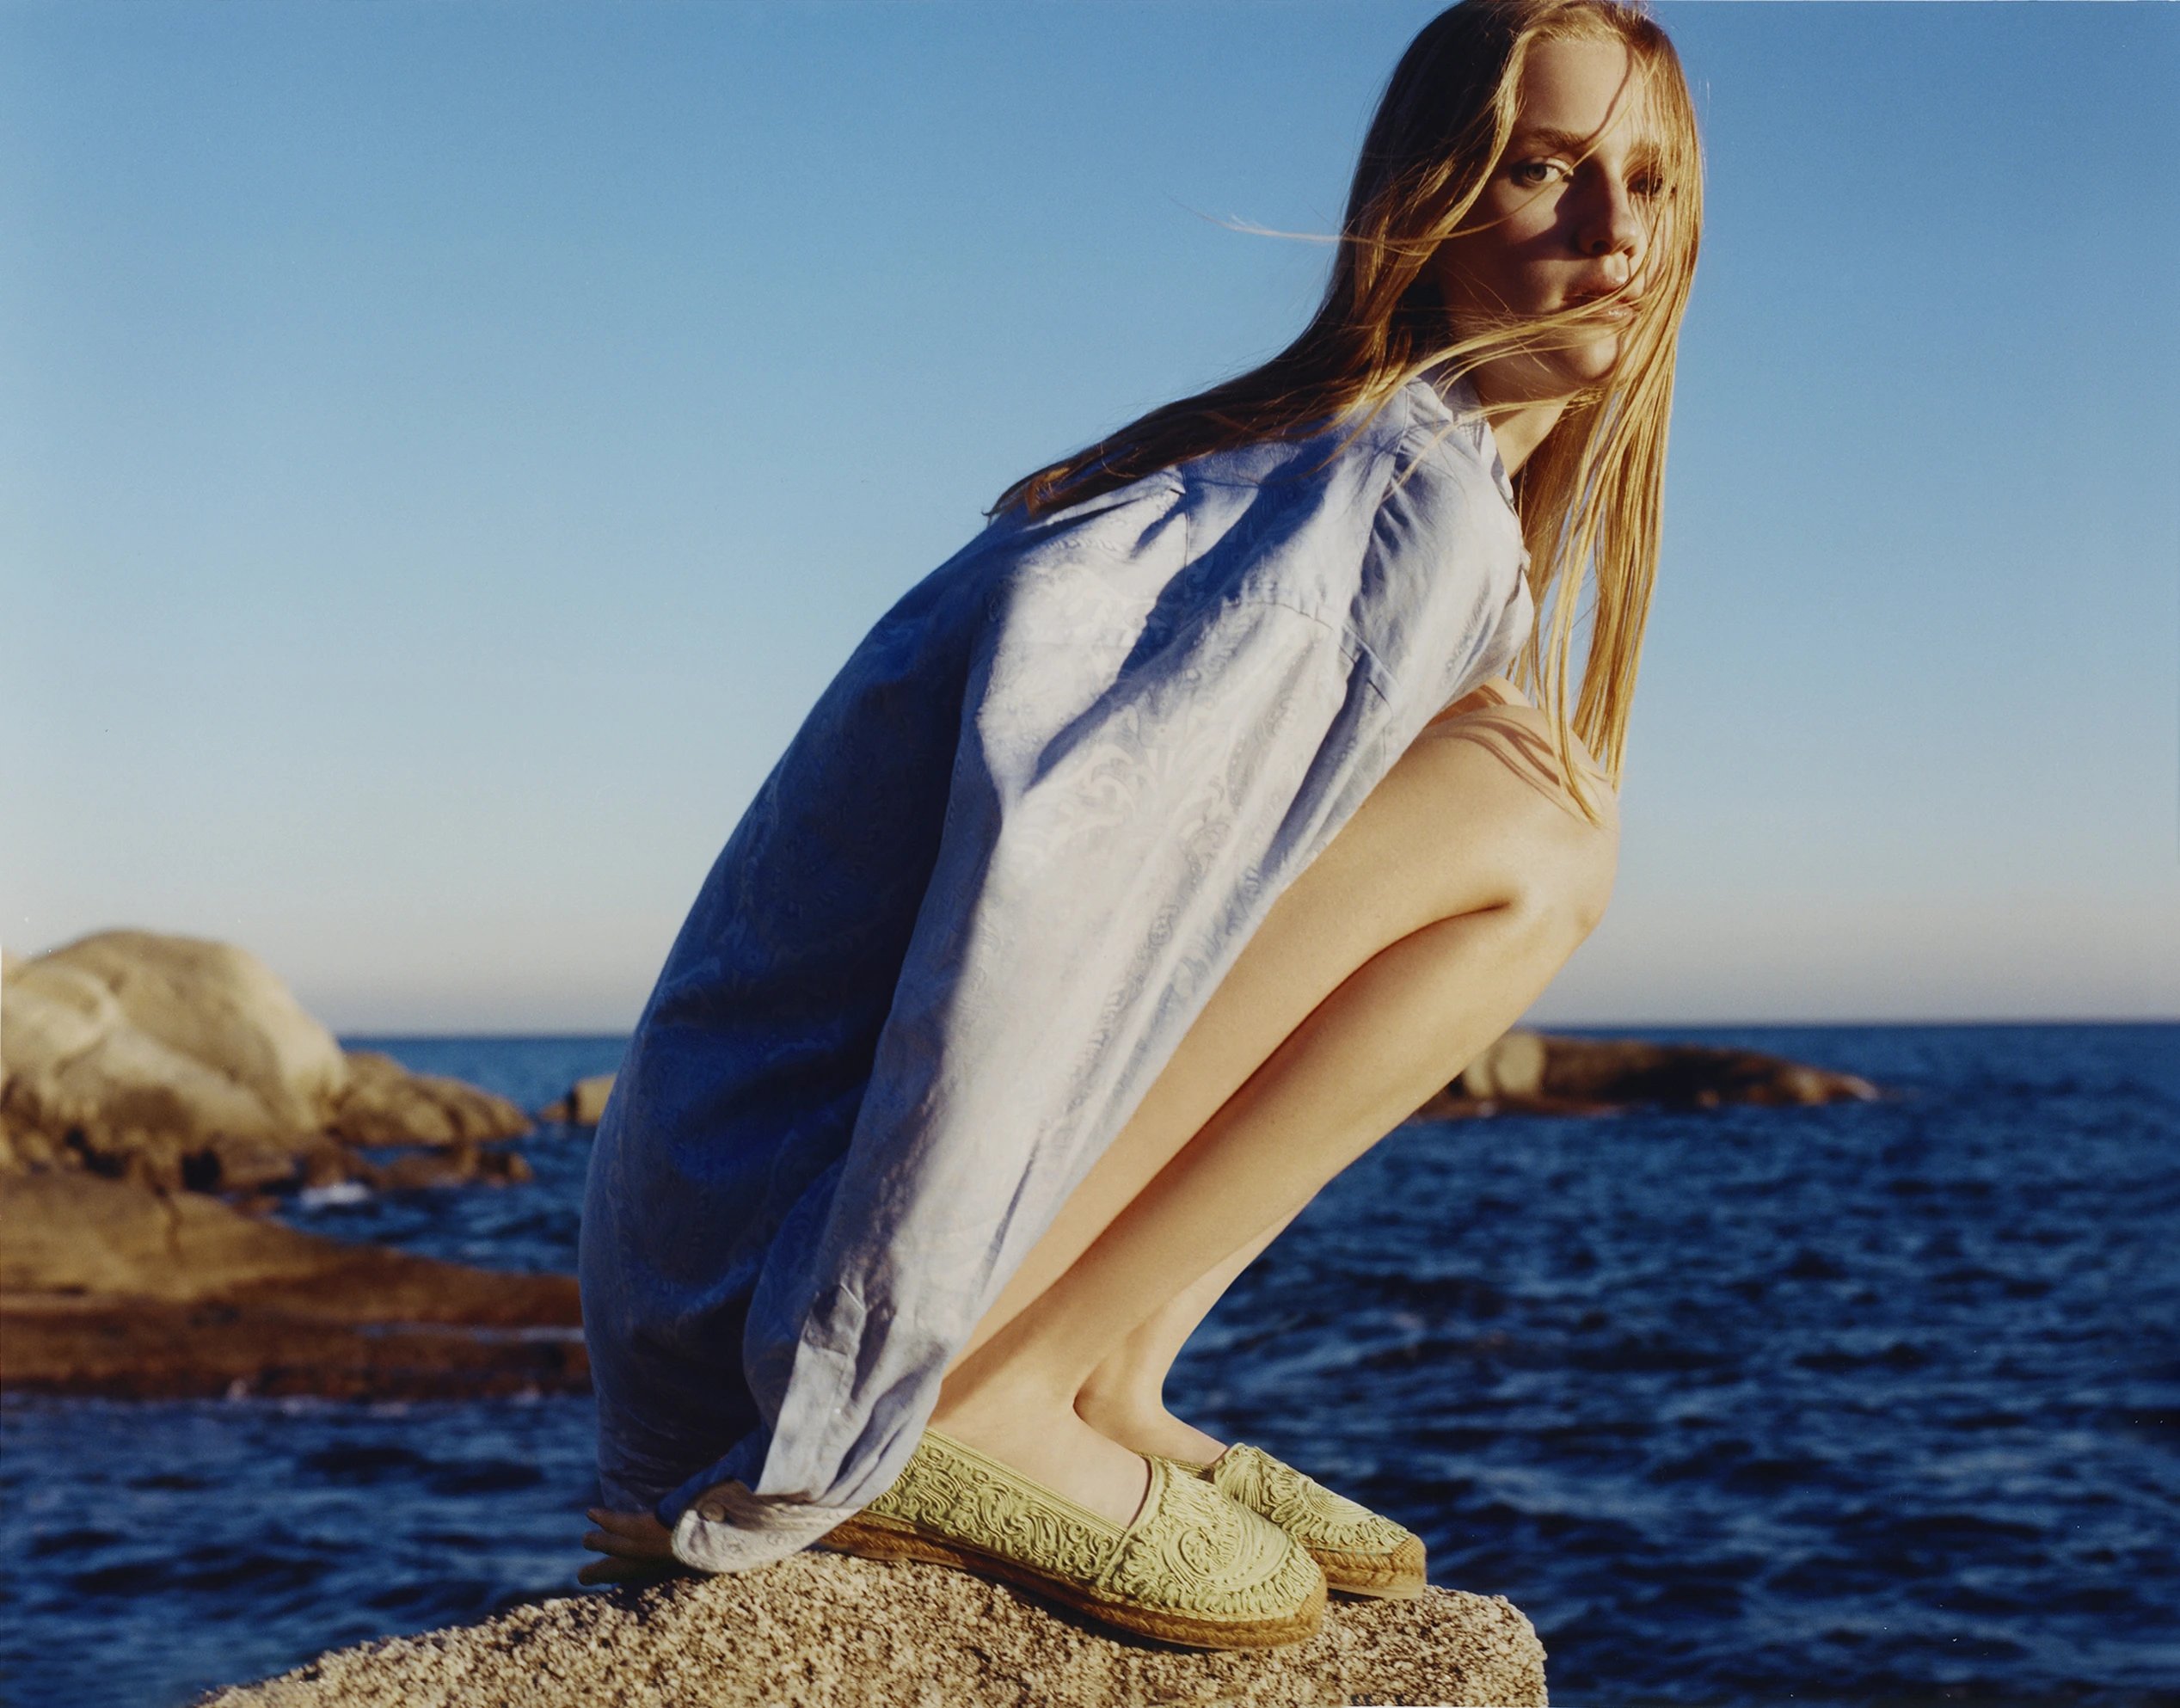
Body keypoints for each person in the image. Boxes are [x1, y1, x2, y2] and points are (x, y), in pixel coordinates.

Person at [578, 0, 1702, 1651]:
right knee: (1536, 825)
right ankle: (1007, 1381)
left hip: (715, 1252)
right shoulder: (1390, 496)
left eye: (1651, 183)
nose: (1615, 234)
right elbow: (1053, 912)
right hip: (777, 1289)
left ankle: (1106, 1366)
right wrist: (873, 1393)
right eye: (1545, 171)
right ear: (1431, 203)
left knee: (1522, 794)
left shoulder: (1384, 476)